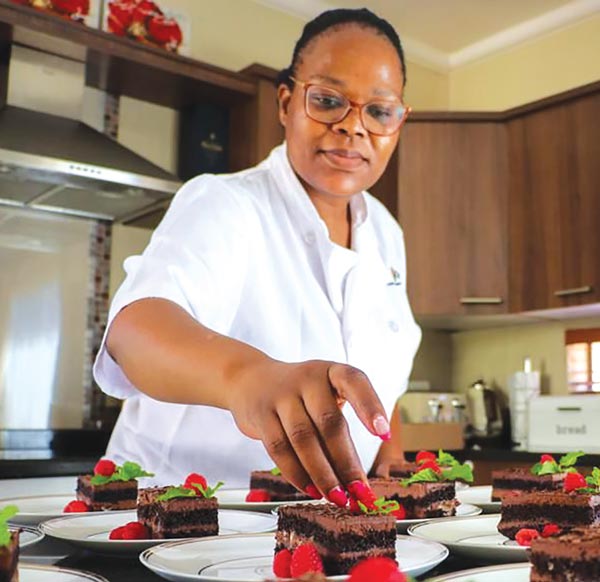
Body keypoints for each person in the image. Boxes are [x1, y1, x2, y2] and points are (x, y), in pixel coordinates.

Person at [93, 7, 421, 507]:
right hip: (181, 516)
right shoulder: (225, 202)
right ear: (286, 103)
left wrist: (388, 451)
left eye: (379, 112)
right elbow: (133, 333)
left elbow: (376, 371)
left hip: (318, 524)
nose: (354, 127)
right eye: (328, 101)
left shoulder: (387, 233)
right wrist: (249, 376)